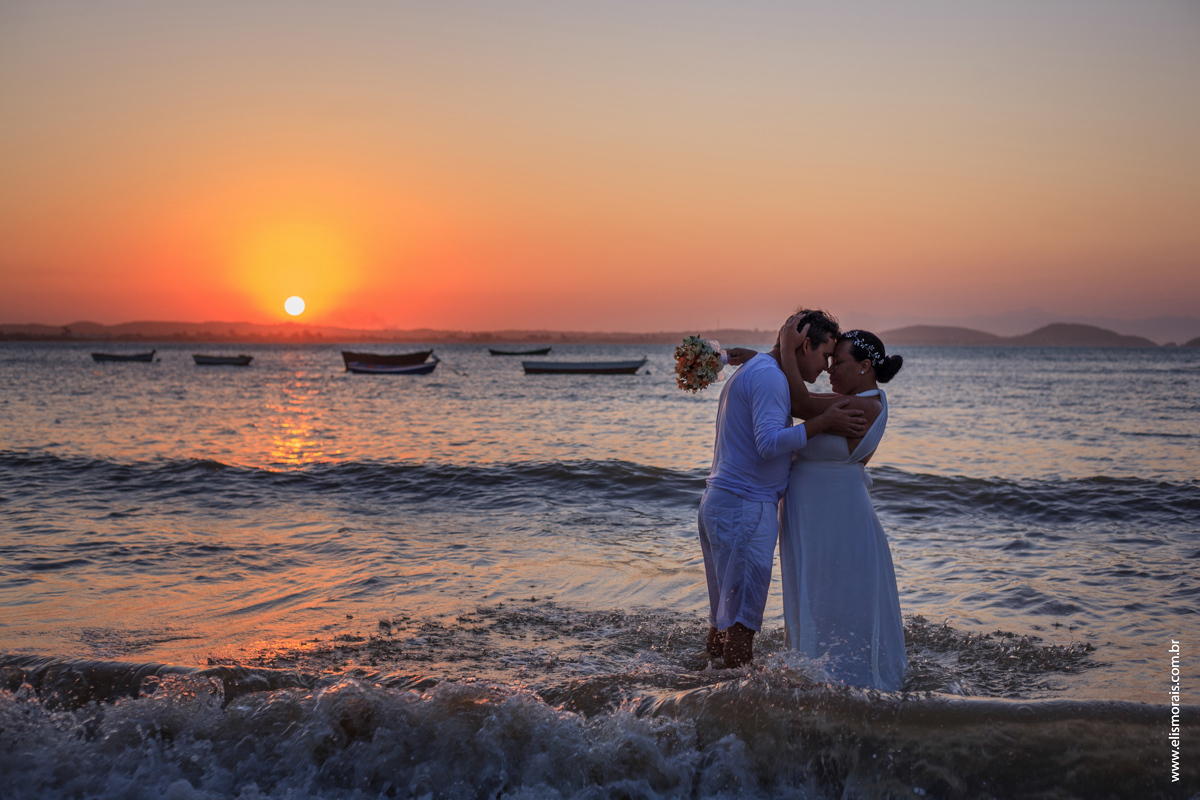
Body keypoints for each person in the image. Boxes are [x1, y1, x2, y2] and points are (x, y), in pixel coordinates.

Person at [699, 310, 868, 668]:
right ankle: (732, 715)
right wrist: (824, 422)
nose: (825, 367)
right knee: (742, 624)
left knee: (722, 622)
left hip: (722, 503)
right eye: (825, 356)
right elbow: (769, 443)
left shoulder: (757, 370)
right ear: (805, 345)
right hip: (746, 510)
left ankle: (701, 699)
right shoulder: (770, 378)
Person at [775, 319, 907, 690]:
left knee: (838, 605)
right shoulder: (845, 401)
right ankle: (814, 682)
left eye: (839, 363)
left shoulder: (867, 406)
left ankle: (850, 688)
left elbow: (798, 401)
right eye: (828, 361)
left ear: (865, 366)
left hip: (840, 523)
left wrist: (785, 348)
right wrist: (761, 359)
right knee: (814, 602)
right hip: (813, 520)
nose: (830, 370)